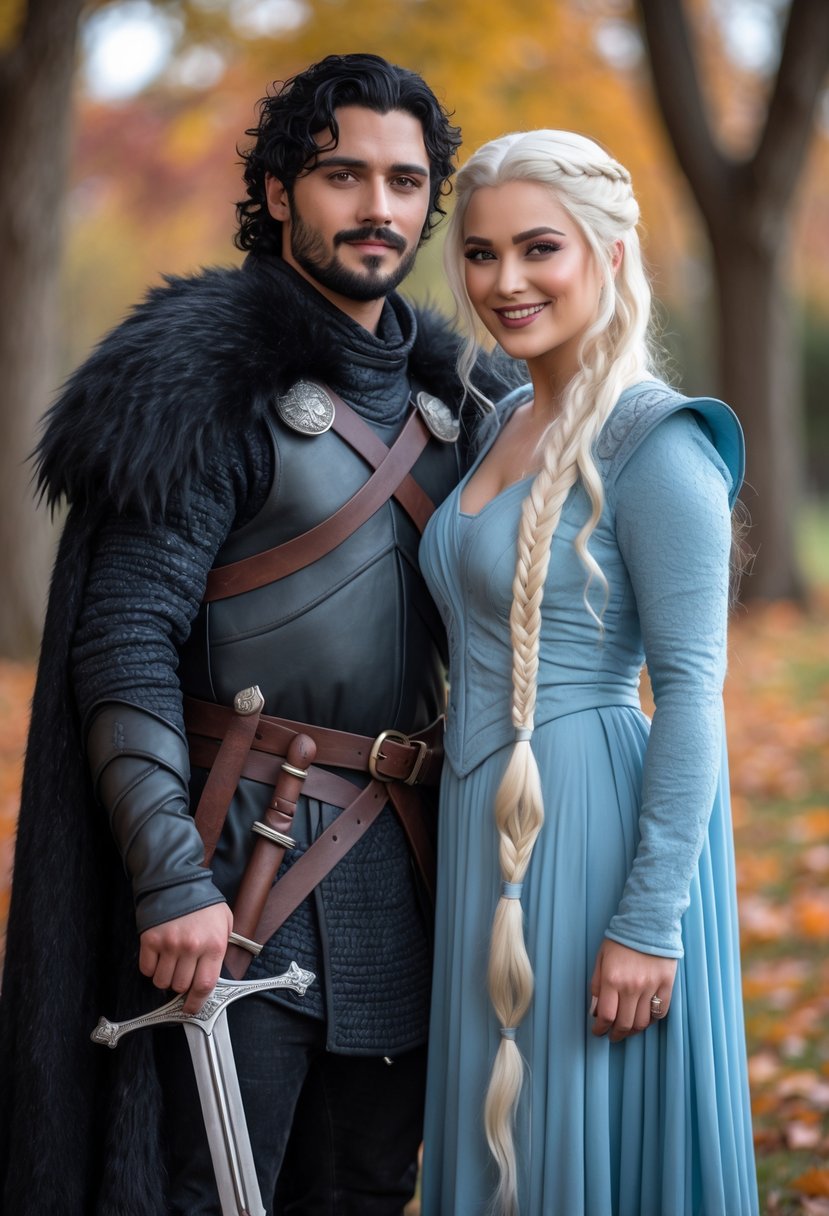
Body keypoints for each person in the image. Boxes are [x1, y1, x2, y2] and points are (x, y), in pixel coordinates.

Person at [0, 53, 500, 1216]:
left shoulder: (456, 409)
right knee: (203, 1187)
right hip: (234, 868)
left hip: (405, 861)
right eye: (342, 174)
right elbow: (123, 639)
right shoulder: (203, 380)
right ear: (277, 191)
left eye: (406, 181)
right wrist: (172, 876)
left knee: (369, 1186)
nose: (379, 208)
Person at [418, 129, 759, 1216]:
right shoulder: (504, 420)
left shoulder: (655, 446)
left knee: (582, 1136)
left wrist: (648, 917)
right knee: (498, 1130)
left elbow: (692, 692)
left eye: (537, 249)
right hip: (485, 820)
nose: (503, 282)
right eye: (478, 254)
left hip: (594, 827)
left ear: (610, 255)